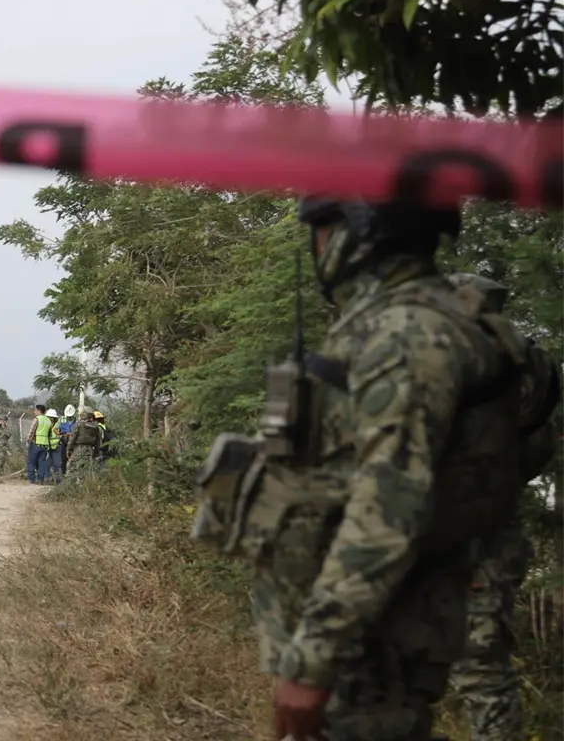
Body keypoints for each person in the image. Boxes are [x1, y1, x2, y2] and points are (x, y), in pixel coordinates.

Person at [193, 197, 524, 740]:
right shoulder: (396, 322)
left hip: (372, 644)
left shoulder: (409, 334)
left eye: (323, 226)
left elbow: (391, 507)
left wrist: (314, 657)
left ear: (363, 228)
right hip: (362, 638)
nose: (317, 243)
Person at [446, 272, 560, 741]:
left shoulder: (476, 367)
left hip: (466, 535)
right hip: (491, 530)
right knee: (480, 664)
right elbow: (538, 449)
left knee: (476, 667)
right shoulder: (530, 367)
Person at [65, 406, 101, 470]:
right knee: (87, 468)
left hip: (79, 449)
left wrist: (68, 449)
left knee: (71, 467)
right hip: (90, 450)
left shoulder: (78, 424)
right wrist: (96, 452)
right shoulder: (96, 427)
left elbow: (72, 438)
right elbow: (98, 442)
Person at [25, 405, 51, 483]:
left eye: (35, 410)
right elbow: (49, 433)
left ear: (39, 410)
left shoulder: (37, 419)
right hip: (45, 444)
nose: (34, 412)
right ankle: (40, 480)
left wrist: (28, 440)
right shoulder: (48, 420)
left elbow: (32, 430)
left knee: (31, 461)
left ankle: (32, 479)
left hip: (35, 444)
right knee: (42, 463)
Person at [44, 408, 62, 482]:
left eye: (51, 417)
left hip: (56, 447)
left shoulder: (58, 425)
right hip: (48, 448)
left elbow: (60, 434)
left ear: (54, 418)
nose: (50, 419)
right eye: (48, 417)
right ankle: (47, 480)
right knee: (47, 464)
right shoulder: (46, 425)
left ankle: (58, 481)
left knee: (56, 465)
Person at [56, 406, 75, 475]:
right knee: (63, 460)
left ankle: (71, 475)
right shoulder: (62, 419)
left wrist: (71, 434)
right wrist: (60, 434)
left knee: (73, 460)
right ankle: (64, 475)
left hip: (73, 443)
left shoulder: (77, 420)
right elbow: (55, 429)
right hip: (64, 442)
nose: (69, 417)